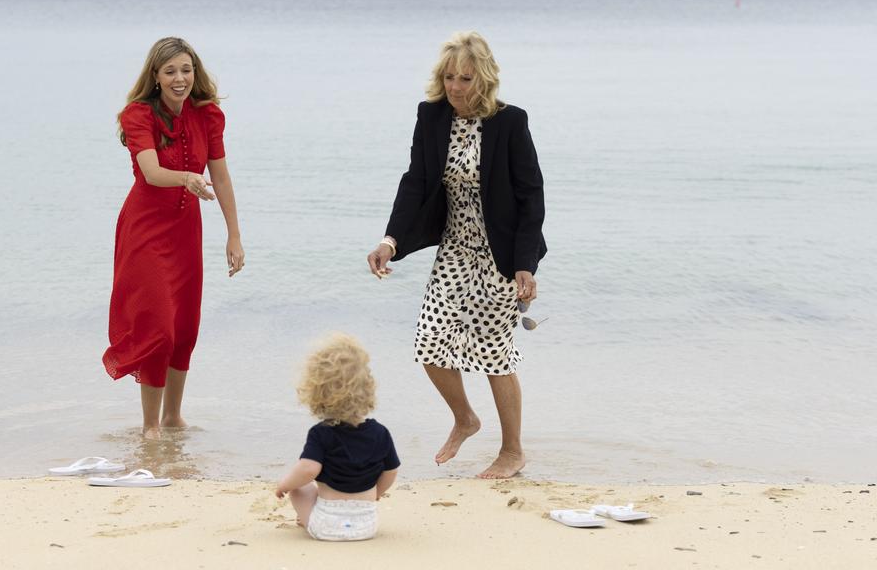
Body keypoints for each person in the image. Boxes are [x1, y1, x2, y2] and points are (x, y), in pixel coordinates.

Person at [366, 31, 545, 479]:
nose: (456, 86)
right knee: (430, 342)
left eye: (465, 78)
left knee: (493, 353)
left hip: (499, 255)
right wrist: (391, 240)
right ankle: (465, 419)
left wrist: (525, 263)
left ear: (482, 79)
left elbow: (531, 195)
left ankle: (512, 452)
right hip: (454, 251)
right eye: (449, 77)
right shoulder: (431, 117)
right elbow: (415, 182)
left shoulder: (510, 122)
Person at [103, 37, 244, 439]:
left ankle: (173, 418)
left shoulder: (208, 116)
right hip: (145, 230)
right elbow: (149, 172)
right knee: (158, 326)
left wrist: (234, 234)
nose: (180, 78)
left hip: (186, 231)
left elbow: (220, 175)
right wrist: (185, 178)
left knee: (184, 326)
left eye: (186, 70)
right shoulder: (137, 115)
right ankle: (150, 426)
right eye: (170, 71)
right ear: (156, 76)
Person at [275, 334, 400, 542]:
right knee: (310, 487)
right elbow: (391, 471)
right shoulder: (380, 433)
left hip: (326, 525)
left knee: (299, 488)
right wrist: (377, 492)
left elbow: (308, 469)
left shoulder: (321, 433)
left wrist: (284, 485)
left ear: (316, 391)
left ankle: (305, 517)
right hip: (366, 525)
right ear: (368, 388)